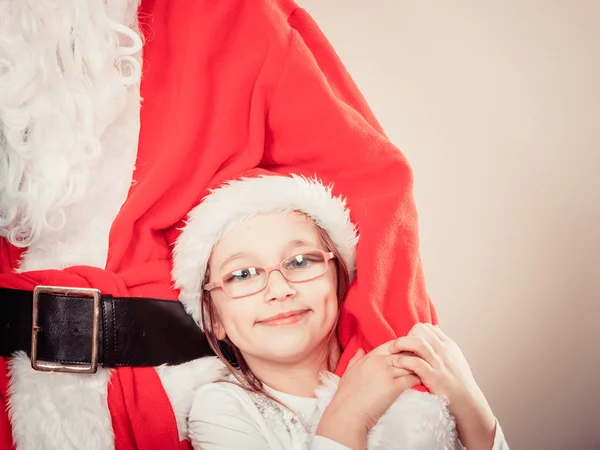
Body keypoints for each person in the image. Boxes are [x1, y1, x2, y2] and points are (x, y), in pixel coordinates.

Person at [1, 1, 447, 448]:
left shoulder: (236, 14)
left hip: (165, 397)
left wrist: (407, 396)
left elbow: (367, 188)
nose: (278, 287)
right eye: (249, 274)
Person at [170, 171, 509, 449]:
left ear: (339, 279)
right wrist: (348, 418)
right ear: (213, 318)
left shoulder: (412, 379)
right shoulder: (221, 410)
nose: (279, 290)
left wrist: (472, 409)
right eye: (242, 274)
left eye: (300, 261)